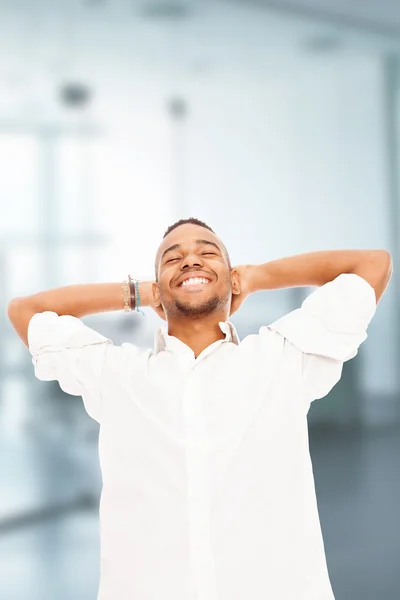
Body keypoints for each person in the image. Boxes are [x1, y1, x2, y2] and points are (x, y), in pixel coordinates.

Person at [7, 217, 392, 600]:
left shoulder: (283, 358)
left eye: (208, 253)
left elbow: (373, 265)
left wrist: (255, 276)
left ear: (232, 278)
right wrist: (139, 293)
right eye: (173, 259)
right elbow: (26, 310)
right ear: (158, 287)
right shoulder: (118, 375)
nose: (191, 261)